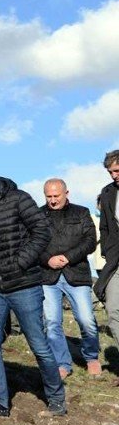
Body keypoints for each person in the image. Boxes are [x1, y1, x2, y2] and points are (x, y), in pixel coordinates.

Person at [0, 165, 65, 417]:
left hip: (25, 285)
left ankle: (56, 399)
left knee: (38, 345)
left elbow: (42, 232)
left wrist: (21, 262)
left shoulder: (19, 199)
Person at [39, 178, 100, 378]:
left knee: (86, 319)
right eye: (49, 196)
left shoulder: (81, 212)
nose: (53, 200)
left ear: (67, 193)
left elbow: (90, 240)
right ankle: (62, 363)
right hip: (48, 276)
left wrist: (68, 257)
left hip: (77, 273)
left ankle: (91, 357)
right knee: (52, 322)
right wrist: (48, 260)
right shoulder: (37, 216)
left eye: (56, 196)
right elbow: (31, 244)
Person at [94, 149, 119, 375]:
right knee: (113, 311)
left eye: (117, 171)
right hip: (116, 261)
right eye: (111, 172)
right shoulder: (108, 192)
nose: (114, 175)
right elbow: (105, 226)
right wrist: (108, 250)